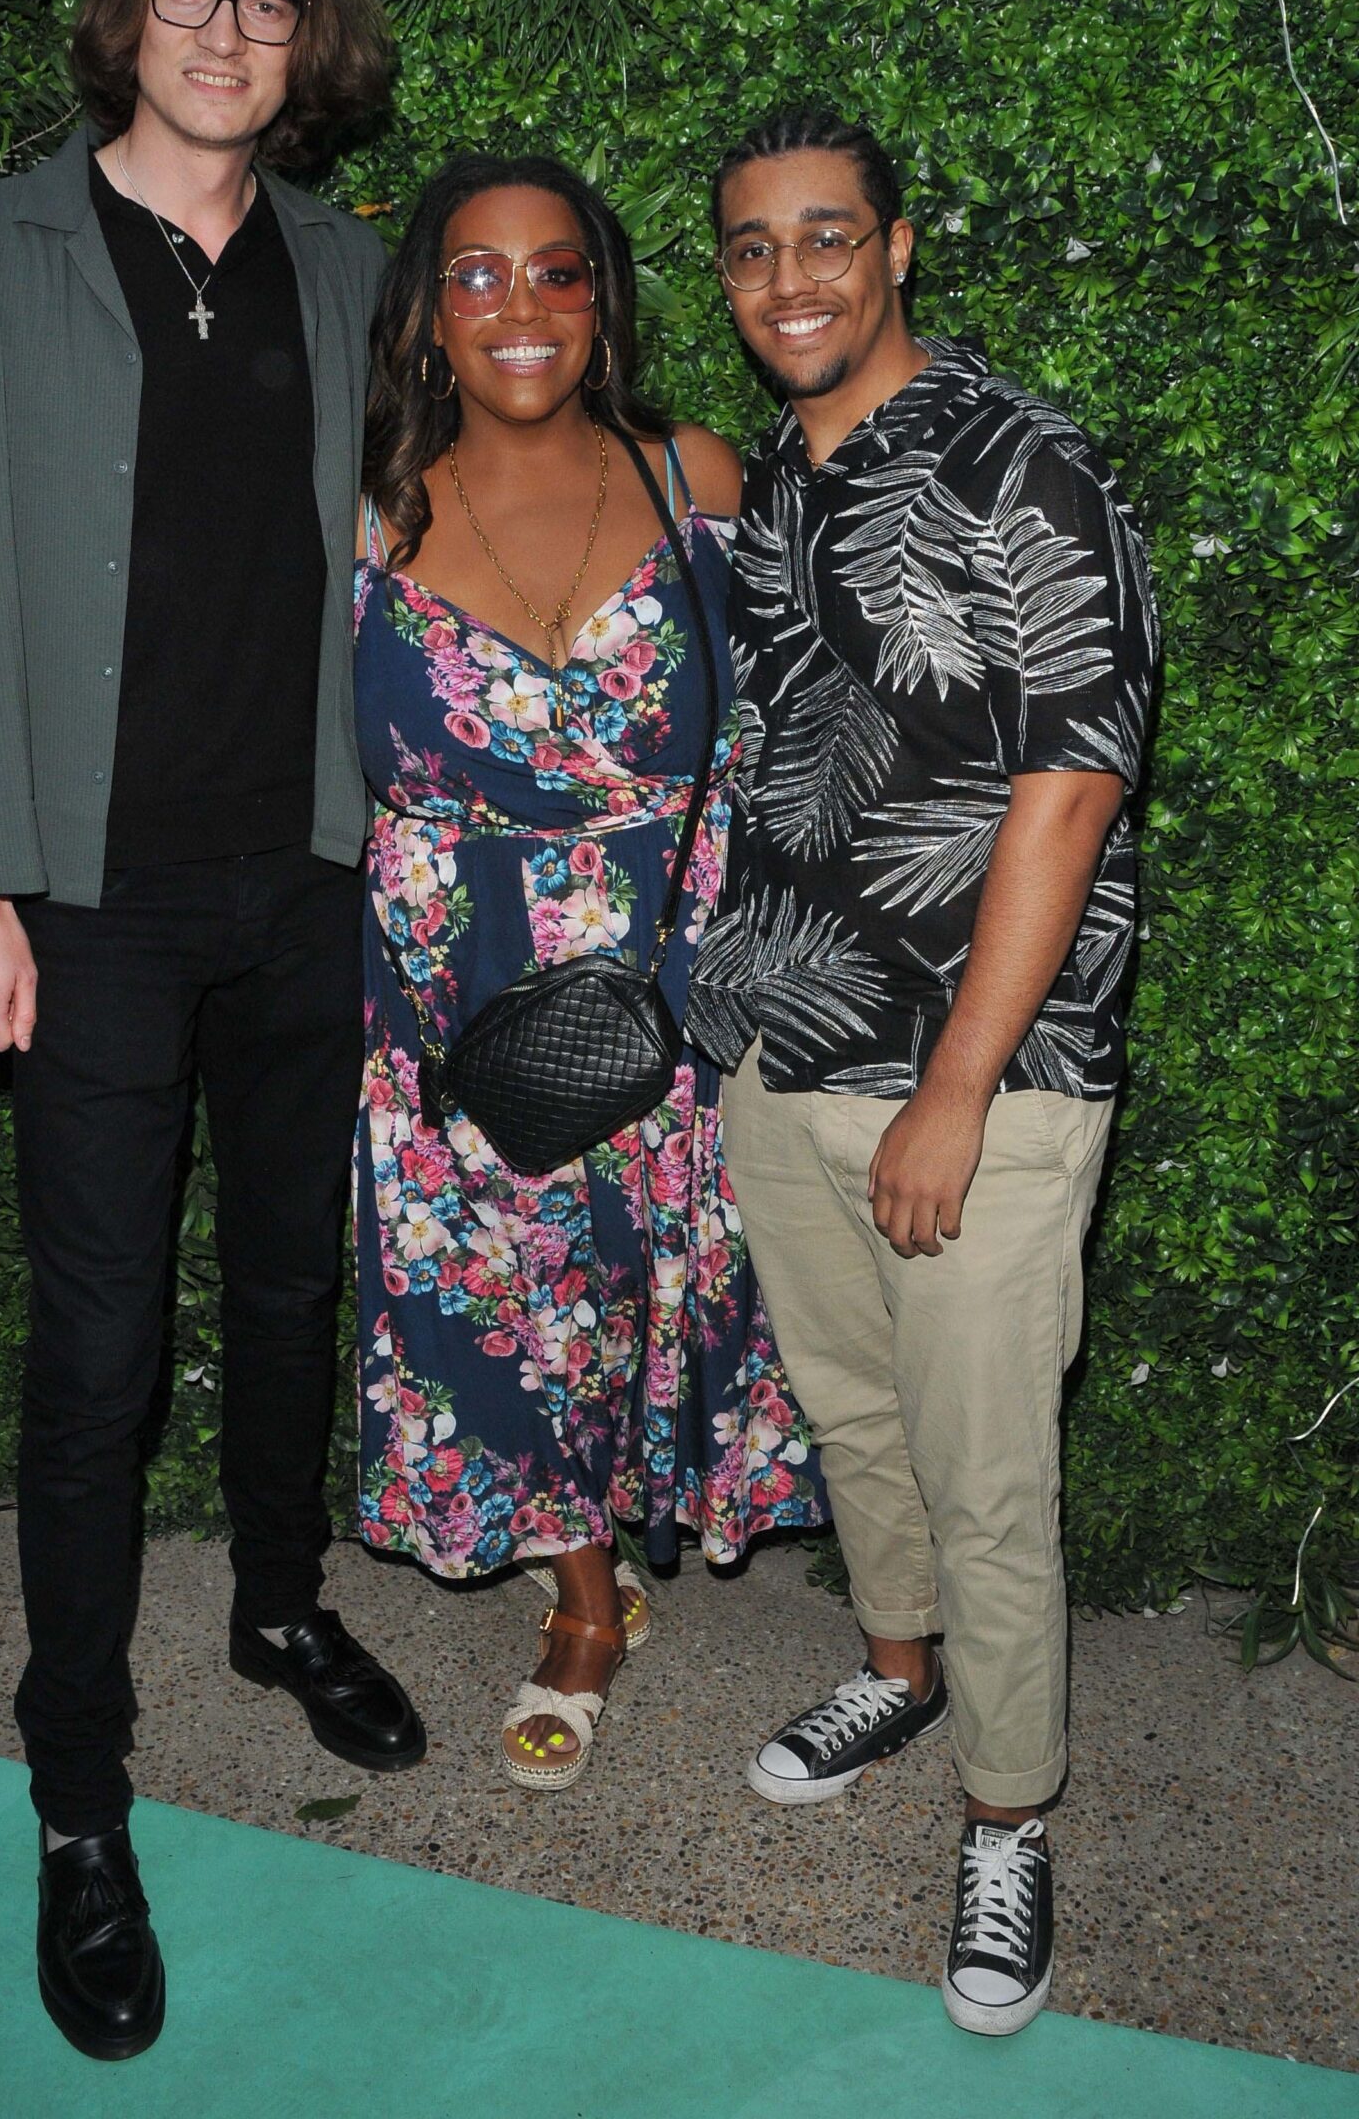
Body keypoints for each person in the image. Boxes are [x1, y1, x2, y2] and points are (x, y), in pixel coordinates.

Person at [0, 0, 426, 2063]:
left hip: (306, 874)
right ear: (130, 11)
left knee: (295, 1281)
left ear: (309, 41)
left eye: (265, 3)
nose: (222, 30)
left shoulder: (351, 265)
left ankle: (278, 1607)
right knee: (96, 1362)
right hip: (81, 894)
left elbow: (395, 550)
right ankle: (78, 1799)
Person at [686, 108, 1158, 2034]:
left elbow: (1074, 779)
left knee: (983, 1468)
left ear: (897, 248)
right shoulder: (783, 482)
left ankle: (1008, 1816)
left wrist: (957, 1086)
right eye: (748, 248)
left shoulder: (1017, 458)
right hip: (783, 1033)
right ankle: (900, 1668)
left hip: (986, 1065)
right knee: (852, 1412)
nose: (788, 278)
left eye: (825, 239)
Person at [352, 153, 825, 1793]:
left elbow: (815, 710)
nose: (522, 307)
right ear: (424, 313)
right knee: (509, 1296)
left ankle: (652, 1529)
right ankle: (578, 1599)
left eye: (559, 272)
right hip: (459, 988)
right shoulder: (369, 511)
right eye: (476, 275)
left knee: (668, 1276)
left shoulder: (693, 471)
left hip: (673, 974)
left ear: (604, 301)